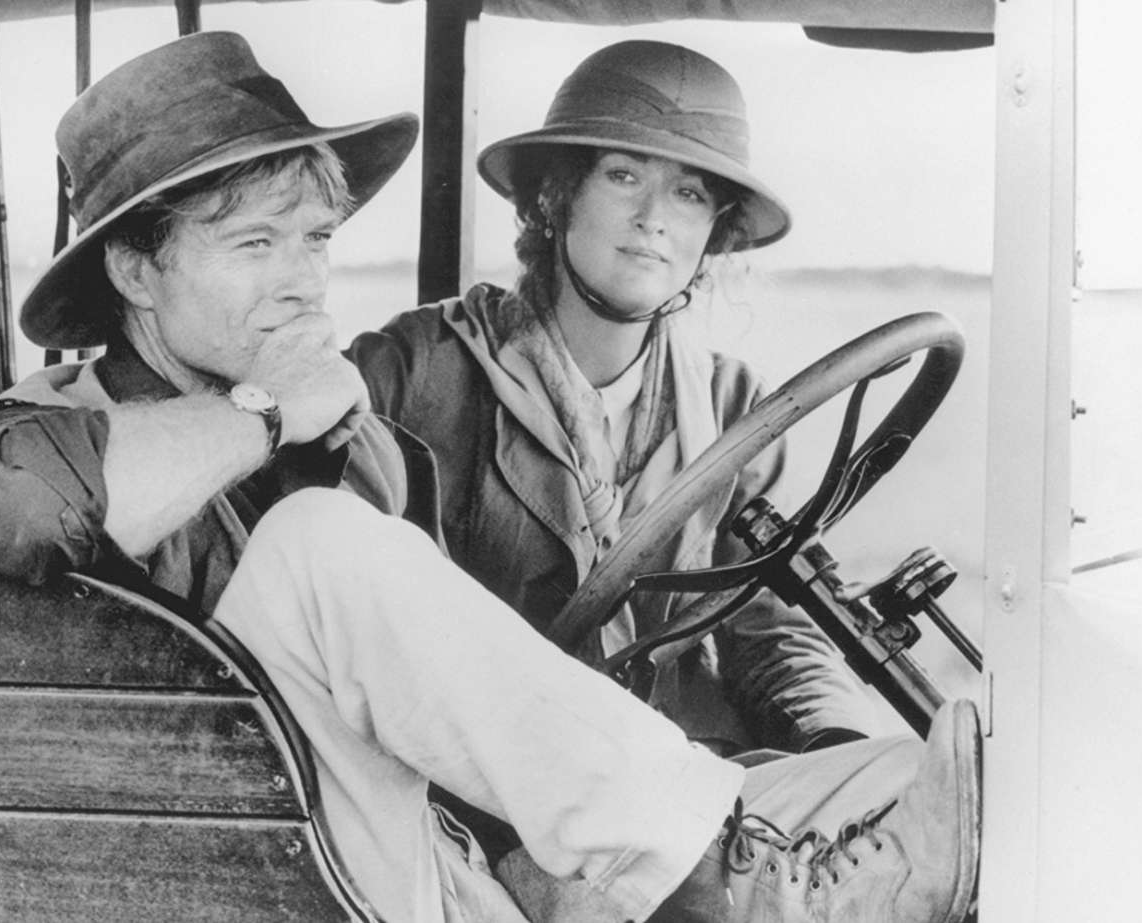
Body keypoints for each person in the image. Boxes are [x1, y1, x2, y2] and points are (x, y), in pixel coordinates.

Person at [0, 32, 981, 923]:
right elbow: (23, 507)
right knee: (315, 544)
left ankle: (756, 869)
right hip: (240, 867)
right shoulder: (45, 421)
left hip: (446, 854)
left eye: (315, 240)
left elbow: (448, 701)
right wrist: (266, 410)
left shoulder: (363, 447)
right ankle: (733, 883)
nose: (302, 283)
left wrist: (534, 867)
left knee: (951, 785)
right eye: (254, 244)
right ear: (135, 269)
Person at [347, 38, 882, 875]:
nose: (654, 217)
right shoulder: (417, 372)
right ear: (556, 195)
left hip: (684, 804)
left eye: (689, 192)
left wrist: (839, 748)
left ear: (714, 232)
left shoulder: (737, 410)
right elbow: (343, 608)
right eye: (624, 176)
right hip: (471, 820)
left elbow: (774, 628)